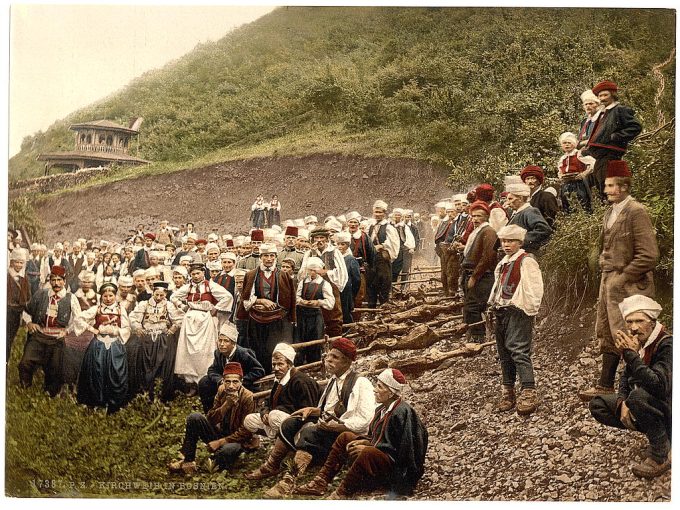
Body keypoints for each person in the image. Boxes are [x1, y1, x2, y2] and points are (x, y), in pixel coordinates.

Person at [579, 161, 658, 402]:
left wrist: (623, 277)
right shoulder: (610, 212)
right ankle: (605, 385)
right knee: (607, 330)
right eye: (606, 185)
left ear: (624, 186)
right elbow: (607, 245)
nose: (607, 190)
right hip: (610, 282)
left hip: (632, 286)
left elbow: (649, 255)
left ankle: (642, 392)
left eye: (612, 185)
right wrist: (603, 261)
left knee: (632, 335)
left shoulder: (636, 211)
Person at [261, 337, 375, 498]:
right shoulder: (332, 382)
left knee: (309, 433)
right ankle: (272, 465)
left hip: (351, 435)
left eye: (335, 357)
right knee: (291, 422)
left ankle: (289, 480)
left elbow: (365, 420)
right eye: (329, 355)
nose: (328, 359)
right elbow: (324, 410)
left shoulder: (361, 383)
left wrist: (339, 426)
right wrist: (311, 410)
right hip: (330, 430)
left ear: (347, 361)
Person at [295, 368, 428, 499]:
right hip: (380, 457)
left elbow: (403, 450)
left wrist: (370, 448)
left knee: (367, 453)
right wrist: (365, 441)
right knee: (345, 436)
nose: (374, 389)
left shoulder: (402, 412)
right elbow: (378, 437)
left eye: (380, 387)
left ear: (391, 393)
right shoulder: (381, 409)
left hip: (397, 470)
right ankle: (320, 482)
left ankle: (341, 493)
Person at [589, 295, 671, 479]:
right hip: (654, 405)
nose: (633, 328)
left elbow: (659, 386)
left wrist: (631, 355)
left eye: (640, 321)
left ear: (652, 322)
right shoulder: (641, 343)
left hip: (671, 407)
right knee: (598, 404)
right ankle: (660, 434)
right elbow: (625, 377)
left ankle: (661, 455)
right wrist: (622, 402)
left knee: (638, 398)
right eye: (630, 322)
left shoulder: (667, 344)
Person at [488, 225, 544, 415]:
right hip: (501, 310)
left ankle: (528, 390)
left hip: (518, 310)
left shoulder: (526, 261)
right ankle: (508, 391)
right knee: (504, 352)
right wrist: (492, 303)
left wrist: (527, 309)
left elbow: (534, 288)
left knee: (518, 349)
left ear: (519, 242)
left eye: (511, 241)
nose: (506, 245)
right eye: (504, 241)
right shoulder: (503, 262)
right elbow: (498, 285)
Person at [168, 362, 257, 474]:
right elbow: (211, 419)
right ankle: (188, 460)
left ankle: (209, 464)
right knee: (194, 417)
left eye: (235, 382)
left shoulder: (248, 397)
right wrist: (226, 406)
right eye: (227, 382)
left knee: (228, 450)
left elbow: (246, 431)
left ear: (241, 382)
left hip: (237, 440)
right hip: (221, 433)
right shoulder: (222, 390)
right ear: (223, 381)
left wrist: (220, 442)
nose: (231, 386)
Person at [243, 343, 321, 458]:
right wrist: (265, 412)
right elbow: (268, 402)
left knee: (274, 415)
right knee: (249, 420)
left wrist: (275, 412)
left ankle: (293, 445)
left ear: (289, 365)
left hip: (303, 423)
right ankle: (281, 440)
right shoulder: (279, 380)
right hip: (280, 418)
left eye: (280, 364)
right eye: (274, 364)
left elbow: (307, 410)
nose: (276, 368)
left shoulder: (301, 381)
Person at [19, 265, 81, 396]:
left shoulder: (71, 298)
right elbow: (25, 310)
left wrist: (66, 331)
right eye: (53, 280)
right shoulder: (42, 294)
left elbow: (78, 320)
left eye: (59, 280)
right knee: (25, 362)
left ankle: (50, 393)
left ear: (64, 281)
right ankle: (25, 388)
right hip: (39, 335)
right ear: (50, 281)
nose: (56, 283)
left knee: (54, 368)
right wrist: (29, 322)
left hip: (57, 339)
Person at [171, 263, 234, 392]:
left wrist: (215, 309)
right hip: (190, 321)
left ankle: (204, 381)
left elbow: (227, 297)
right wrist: (182, 306)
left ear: (203, 273)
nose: (195, 276)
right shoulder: (188, 287)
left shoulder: (210, 285)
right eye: (193, 274)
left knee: (204, 351)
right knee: (189, 352)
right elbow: (174, 296)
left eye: (198, 273)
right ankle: (191, 383)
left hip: (205, 320)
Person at [236, 243, 296, 373]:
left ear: (275, 257)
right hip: (256, 319)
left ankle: (275, 374)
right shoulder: (251, 275)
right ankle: (259, 374)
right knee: (258, 348)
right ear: (260, 257)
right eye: (265, 256)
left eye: (271, 256)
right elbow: (246, 300)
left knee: (274, 348)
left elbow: (289, 299)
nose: (269, 259)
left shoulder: (284, 275)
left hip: (277, 320)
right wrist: (261, 300)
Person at [75, 282, 131, 413]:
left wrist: (117, 331)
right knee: (96, 372)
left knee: (116, 372)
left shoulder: (120, 310)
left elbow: (127, 327)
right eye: (105, 296)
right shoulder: (96, 309)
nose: (108, 298)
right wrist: (92, 329)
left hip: (115, 345)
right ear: (102, 296)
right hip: (98, 345)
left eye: (111, 295)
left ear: (115, 296)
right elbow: (79, 319)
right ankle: (96, 403)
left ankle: (114, 404)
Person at [580, 80, 642, 198]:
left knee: (608, 188)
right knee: (601, 188)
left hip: (610, 156)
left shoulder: (619, 110)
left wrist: (616, 137)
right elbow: (600, 135)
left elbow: (636, 127)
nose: (602, 98)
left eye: (605, 95)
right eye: (600, 96)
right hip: (600, 157)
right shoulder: (604, 113)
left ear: (613, 95)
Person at [128, 281, 184, 401]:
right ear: (152, 293)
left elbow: (179, 318)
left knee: (162, 364)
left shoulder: (168, 305)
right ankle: (144, 393)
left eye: (161, 295)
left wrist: (173, 328)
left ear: (165, 295)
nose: (158, 298)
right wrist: (137, 327)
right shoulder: (144, 304)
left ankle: (160, 393)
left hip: (162, 338)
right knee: (144, 364)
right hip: (146, 338)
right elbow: (133, 317)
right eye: (156, 295)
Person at [198, 321, 265, 412]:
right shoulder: (219, 353)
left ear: (233, 344)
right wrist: (220, 380)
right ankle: (211, 412)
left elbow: (259, 370)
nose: (222, 344)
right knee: (204, 382)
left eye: (226, 341)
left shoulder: (243, 354)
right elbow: (212, 370)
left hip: (244, 385)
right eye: (220, 340)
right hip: (226, 383)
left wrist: (240, 381)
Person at [460, 201, 498, 343]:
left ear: (486, 216)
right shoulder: (476, 231)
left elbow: (488, 257)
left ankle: (478, 338)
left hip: (483, 276)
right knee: (470, 306)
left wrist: (475, 276)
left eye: (479, 216)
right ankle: (474, 335)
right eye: (473, 216)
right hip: (471, 273)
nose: (475, 219)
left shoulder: (488, 231)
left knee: (473, 307)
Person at [299, 228, 346, 336]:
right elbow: (302, 272)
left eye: (322, 238)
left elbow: (342, 272)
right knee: (313, 315)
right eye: (316, 238)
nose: (319, 240)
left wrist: (326, 272)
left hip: (330, 286)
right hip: (312, 287)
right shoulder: (309, 253)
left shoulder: (334, 252)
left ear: (327, 239)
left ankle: (334, 342)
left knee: (333, 316)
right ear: (312, 239)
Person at [295, 257, 336, 363]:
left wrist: (318, 302)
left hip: (315, 316)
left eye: (315, 270)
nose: (312, 272)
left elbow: (330, 302)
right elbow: (296, 297)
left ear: (319, 270)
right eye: (310, 270)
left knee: (316, 340)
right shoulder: (303, 282)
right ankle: (300, 363)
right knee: (300, 338)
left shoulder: (324, 284)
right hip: (302, 315)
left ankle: (314, 364)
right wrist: (302, 302)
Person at [505, 179, 553, 255]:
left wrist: (520, 239)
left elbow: (544, 229)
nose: (507, 203)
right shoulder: (518, 212)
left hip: (527, 255)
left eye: (510, 199)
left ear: (520, 198)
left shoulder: (529, 211)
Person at [366, 200, 399, 308]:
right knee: (371, 283)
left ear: (384, 213)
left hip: (382, 259)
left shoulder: (388, 227)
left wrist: (382, 246)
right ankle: (372, 307)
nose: (378, 214)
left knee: (384, 282)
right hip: (372, 259)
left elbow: (393, 242)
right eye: (376, 212)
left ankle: (384, 307)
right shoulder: (370, 226)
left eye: (380, 212)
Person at [557, 132, 594, 213]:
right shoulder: (563, 158)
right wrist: (561, 176)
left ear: (573, 144)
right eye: (564, 143)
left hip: (578, 183)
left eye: (569, 143)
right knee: (566, 202)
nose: (566, 145)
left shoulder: (578, 154)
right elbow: (560, 171)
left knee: (582, 202)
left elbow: (592, 163)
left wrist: (584, 174)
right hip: (566, 183)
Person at [7, 248, 31, 363]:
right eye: (16, 262)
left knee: (14, 334)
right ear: (11, 262)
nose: (19, 265)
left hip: (18, 311)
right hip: (7, 310)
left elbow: (27, 295)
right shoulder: (7, 276)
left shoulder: (24, 277)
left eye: (21, 262)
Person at [334, 231, 361, 324]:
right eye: (338, 244)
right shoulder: (334, 258)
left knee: (345, 312)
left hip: (346, 291)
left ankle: (348, 330)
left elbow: (357, 280)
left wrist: (352, 293)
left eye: (343, 244)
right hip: (335, 290)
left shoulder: (350, 260)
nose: (340, 247)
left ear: (348, 245)